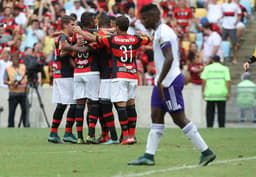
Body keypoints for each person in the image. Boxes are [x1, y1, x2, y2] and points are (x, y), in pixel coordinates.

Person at [127, 4, 215, 166]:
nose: (142, 21)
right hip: (162, 81)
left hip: (169, 82)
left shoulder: (164, 33)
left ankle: (206, 151)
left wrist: (160, 80)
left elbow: (169, 58)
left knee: (179, 118)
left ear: (154, 16)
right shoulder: (160, 32)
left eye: (144, 18)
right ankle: (148, 155)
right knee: (156, 115)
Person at [74, 15, 151, 145]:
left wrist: (80, 31)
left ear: (116, 26)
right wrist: (143, 34)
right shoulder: (135, 39)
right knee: (131, 105)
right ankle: (130, 135)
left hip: (118, 75)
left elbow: (94, 38)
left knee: (116, 106)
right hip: (132, 75)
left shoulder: (112, 39)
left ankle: (122, 136)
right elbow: (148, 39)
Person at [48, 15, 86, 144]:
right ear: (65, 25)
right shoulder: (63, 38)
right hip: (65, 74)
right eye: (72, 24)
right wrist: (77, 46)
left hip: (60, 74)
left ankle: (53, 132)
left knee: (61, 105)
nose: (73, 27)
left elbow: (63, 52)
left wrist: (74, 46)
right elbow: (63, 51)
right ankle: (68, 132)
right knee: (74, 104)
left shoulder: (63, 37)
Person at [201, 55, 231, 128]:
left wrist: (203, 91)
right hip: (222, 93)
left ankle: (209, 126)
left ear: (212, 60)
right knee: (221, 112)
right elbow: (228, 81)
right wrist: (229, 92)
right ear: (219, 61)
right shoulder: (225, 69)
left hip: (210, 93)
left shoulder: (207, 68)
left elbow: (204, 80)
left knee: (210, 112)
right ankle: (221, 127)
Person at [3, 53, 28, 127]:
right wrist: (11, 83)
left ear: (19, 59)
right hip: (13, 93)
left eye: (17, 59)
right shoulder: (8, 69)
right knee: (11, 112)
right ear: (11, 60)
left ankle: (25, 125)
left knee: (25, 111)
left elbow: (27, 76)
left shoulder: (23, 67)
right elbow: (4, 81)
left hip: (23, 93)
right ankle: (11, 126)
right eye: (14, 59)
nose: (15, 61)